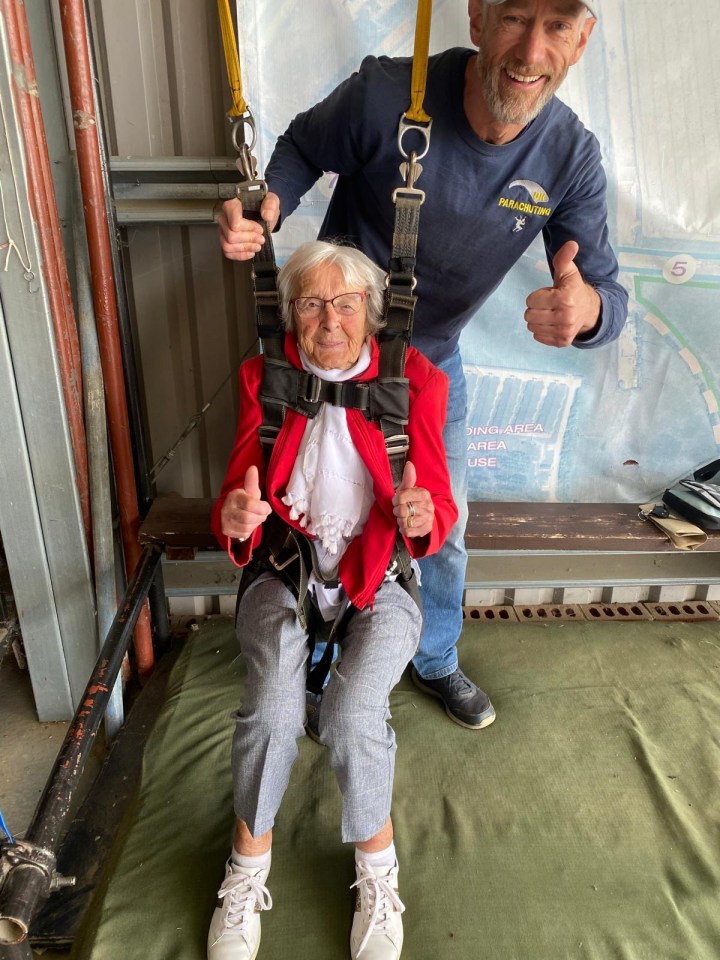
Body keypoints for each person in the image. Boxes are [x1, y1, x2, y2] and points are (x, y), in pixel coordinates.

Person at [217, 0, 629, 732]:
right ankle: (315, 652)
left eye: (559, 24)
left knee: (442, 519)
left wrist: (587, 311)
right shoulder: (385, 94)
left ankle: (433, 656)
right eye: (514, 17)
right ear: (476, 19)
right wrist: (269, 206)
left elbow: (606, 291)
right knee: (311, 507)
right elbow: (303, 147)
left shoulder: (570, 157)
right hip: (328, 353)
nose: (531, 49)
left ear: (582, 39)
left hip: (428, 367)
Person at [208, 240, 457, 960]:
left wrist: (421, 517)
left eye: (346, 304)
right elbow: (239, 489)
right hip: (284, 571)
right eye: (312, 303)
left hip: (378, 580)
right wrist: (233, 517)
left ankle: (377, 870)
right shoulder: (268, 377)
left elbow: (436, 506)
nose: (329, 319)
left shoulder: (416, 383)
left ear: (370, 314)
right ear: (292, 313)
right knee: (273, 711)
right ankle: (246, 866)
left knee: (350, 717)